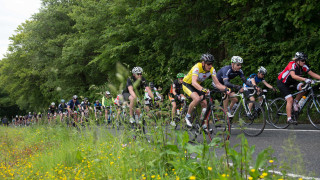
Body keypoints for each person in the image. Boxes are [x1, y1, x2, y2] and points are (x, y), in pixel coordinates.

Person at [183, 53, 230, 128]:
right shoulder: (197, 67)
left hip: (196, 85)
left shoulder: (212, 69)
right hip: (187, 84)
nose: (210, 66)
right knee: (197, 98)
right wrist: (203, 89)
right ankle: (187, 116)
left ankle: (203, 123)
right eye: (208, 64)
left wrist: (225, 89)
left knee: (205, 103)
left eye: (211, 64)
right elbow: (194, 82)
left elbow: (217, 84)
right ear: (203, 63)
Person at [277, 52, 320, 124]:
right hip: (282, 83)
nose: (304, 62)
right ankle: (289, 118)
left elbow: (312, 74)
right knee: (290, 99)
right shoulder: (292, 64)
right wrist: (305, 79)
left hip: (292, 82)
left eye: (304, 60)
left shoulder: (303, 66)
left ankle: (295, 102)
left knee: (304, 87)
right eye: (302, 60)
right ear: (297, 60)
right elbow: (293, 76)